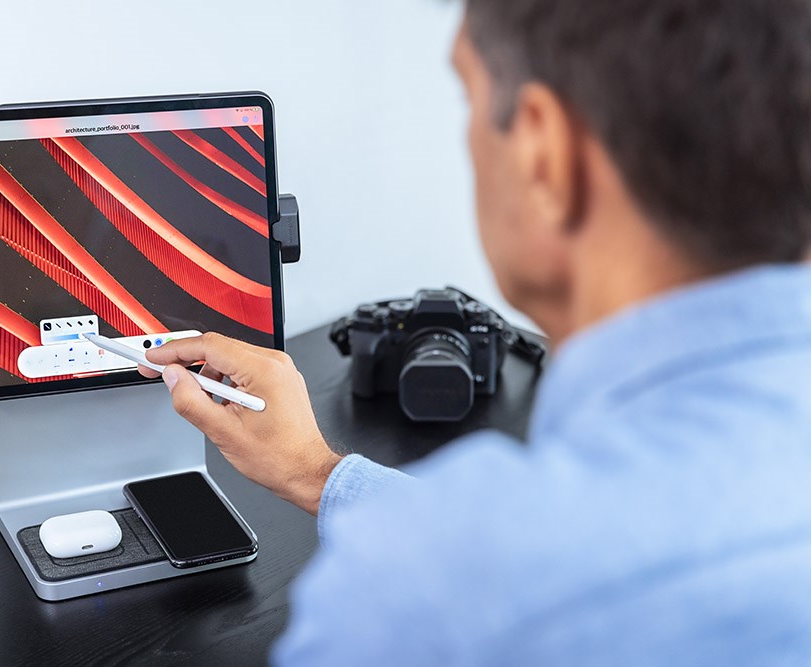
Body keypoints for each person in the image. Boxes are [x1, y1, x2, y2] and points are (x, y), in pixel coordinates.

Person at [141, 1, 811, 663]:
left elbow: (500, 571)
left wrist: (438, 560)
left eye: (467, 97)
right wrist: (319, 474)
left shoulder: (418, 603)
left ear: (545, 156)